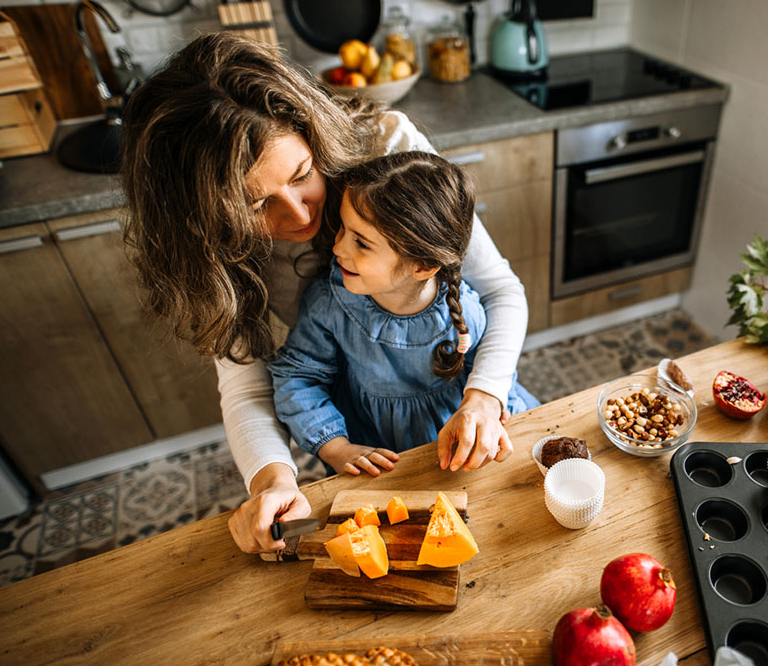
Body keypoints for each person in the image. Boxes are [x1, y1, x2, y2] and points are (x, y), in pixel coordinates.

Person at [120, 33, 530, 555]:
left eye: (302, 175)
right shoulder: (223, 254)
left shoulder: (389, 153)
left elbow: (497, 290)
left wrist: (485, 396)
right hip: (368, 434)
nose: (301, 217)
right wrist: (273, 481)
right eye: (254, 206)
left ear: (314, 137)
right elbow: (252, 387)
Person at [270, 152, 538, 476]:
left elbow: (494, 373)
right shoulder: (328, 304)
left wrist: (488, 421)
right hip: (378, 457)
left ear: (423, 266)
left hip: (460, 454)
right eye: (343, 228)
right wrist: (337, 448)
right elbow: (298, 379)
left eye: (362, 244)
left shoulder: (463, 309)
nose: (338, 248)